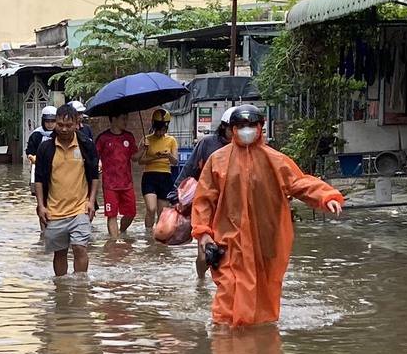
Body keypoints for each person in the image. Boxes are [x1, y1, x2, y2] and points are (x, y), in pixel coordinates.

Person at [191, 104, 345, 328]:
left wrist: (326, 195)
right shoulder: (218, 160)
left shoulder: (275, 160)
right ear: (232, 129)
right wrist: (203, 234)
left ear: (260, 127)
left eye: (251, 125)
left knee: (265, 292)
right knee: (229, 289)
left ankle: (258, 344)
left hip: (266, 240)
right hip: (228, 241)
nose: (246, 130)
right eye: (241, 125)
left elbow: (299, 183)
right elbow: (204, 199)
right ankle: (226, 343)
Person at [34, 101, 100, 278]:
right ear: (55, 123)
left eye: (68, 125)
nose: (63, 129)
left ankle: (80, 288)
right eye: (60, 125)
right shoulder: (45, 148)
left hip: (80, 208)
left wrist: (91, 201)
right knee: (60, 252)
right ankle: (61, 289)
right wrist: (41, 205)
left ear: (76, 123)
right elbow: (39, 179)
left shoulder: (86, 145)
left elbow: (94, 175)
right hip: (54, 210)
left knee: (80, 247)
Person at [178, 115, 235, 283]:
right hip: (208, 206)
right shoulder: (208, 143)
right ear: (225, 127)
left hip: (232, 210)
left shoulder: (246, 148)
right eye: (233, 127)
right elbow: (190, 168)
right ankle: (201, 280)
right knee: (204, 256)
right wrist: (177, 194)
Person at [94, 113, 140, 243]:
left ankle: (121, 231)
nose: (125, 121)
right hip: (109, 184)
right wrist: (97, 164)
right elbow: (94, 156)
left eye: (126, 119)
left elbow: (135, 157)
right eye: (123, 119)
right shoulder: (103, 138)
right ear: (113, 119)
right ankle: (114, 244)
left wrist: (143, 149)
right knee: (112, 215)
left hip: (127, 183)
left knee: (131, 213)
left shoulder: (129, 137)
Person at [139, 109, 179, 235]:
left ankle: (158, 236)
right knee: (151, 208)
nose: (162, 132)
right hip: (149, 176)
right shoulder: (146, 140)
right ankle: (148, 234)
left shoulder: (171, 140)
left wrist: (168, 156)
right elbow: (140, 161)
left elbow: (175, 162)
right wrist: (154, 157)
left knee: (162, 213)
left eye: (164, 129)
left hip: (165, 176)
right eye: (160, 129)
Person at [24, 105, 57, 178]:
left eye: (53, 121)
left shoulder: (60, 135)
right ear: (43, 121)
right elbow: (30, 151)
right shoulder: (36, 135)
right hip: (39, 168)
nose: (50, 124)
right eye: (47, 121)